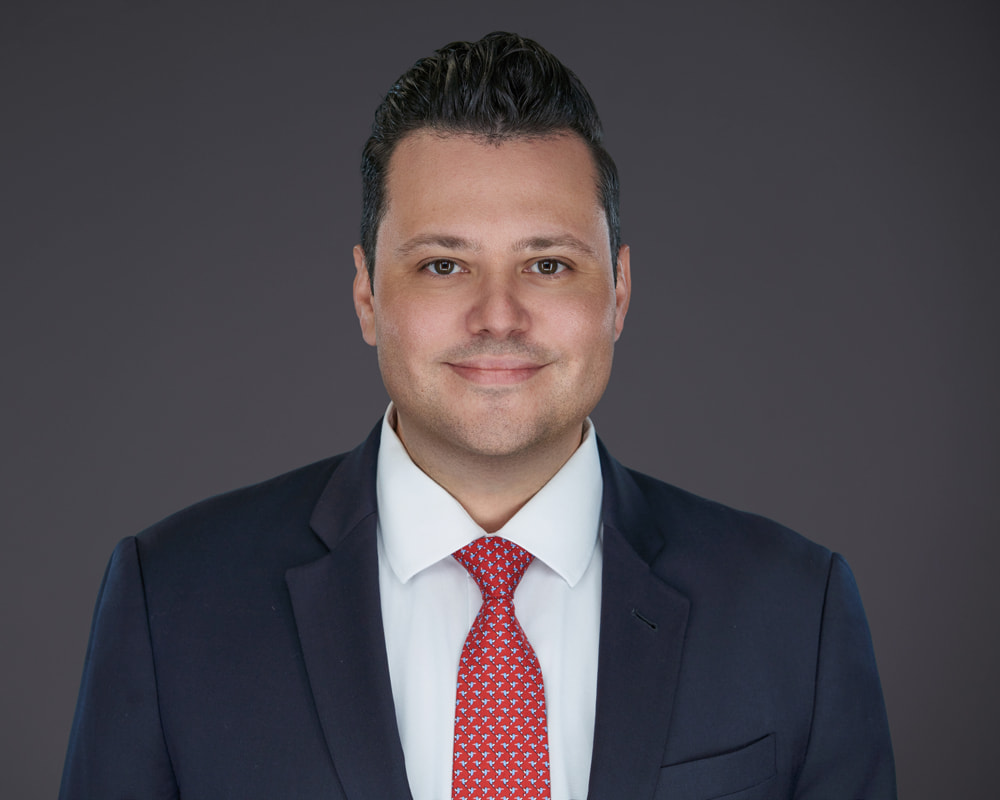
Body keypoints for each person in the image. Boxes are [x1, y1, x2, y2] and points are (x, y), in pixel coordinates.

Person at [59, 32, 895, 800]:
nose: (499, 316)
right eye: (443, 264)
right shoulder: (171, 602)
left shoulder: (797, 611)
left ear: (619, 292)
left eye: (548, 263)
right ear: (366, 293)